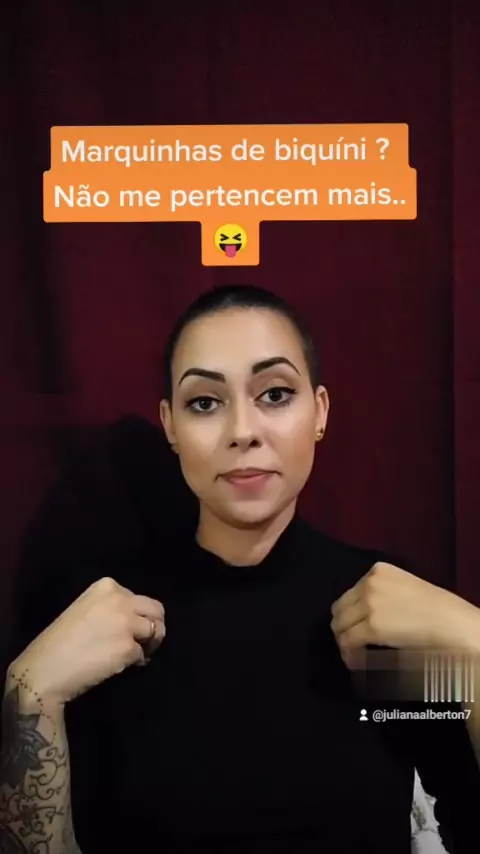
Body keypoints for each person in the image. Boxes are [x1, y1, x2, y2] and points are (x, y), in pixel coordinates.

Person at [1, 284, 479, 854]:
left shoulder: (384, 610)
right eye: (205, 402)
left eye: (275, 394)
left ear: (320, 412)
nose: (242, 431)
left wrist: (474, 642)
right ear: (170, 426)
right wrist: (28, 692)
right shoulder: (100, 619)